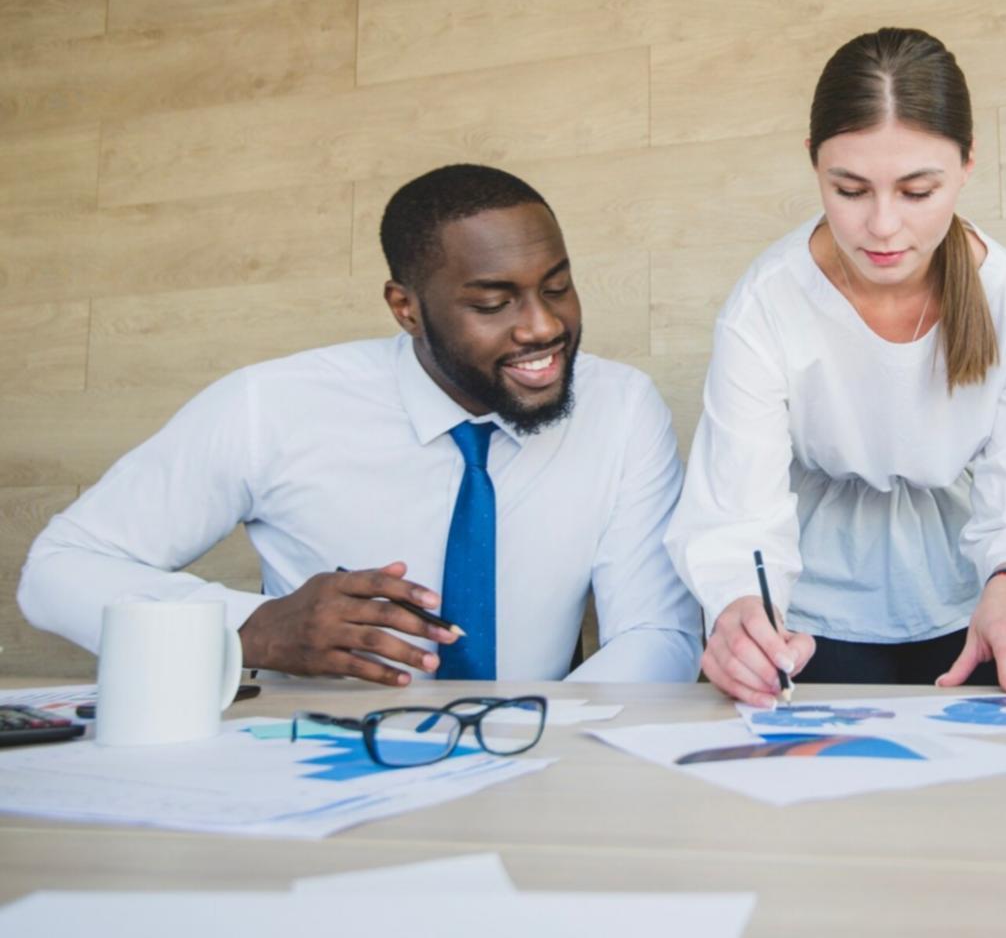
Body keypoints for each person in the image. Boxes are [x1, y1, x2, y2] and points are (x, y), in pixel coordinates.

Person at [19, 164, 702, 685]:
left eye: (556, 286)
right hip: (314, 774)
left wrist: (533, 743)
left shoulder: (621, 408)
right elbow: (58, 572)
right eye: (493, 303)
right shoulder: (272, 405)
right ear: (405, 309)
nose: (543, 326)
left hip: (546, 759)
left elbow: (657, 632)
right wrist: (249, 629)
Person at [664, 28, 1006, 707]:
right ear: (813, 165)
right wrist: (741, 610)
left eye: (917, 191)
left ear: (967, 164)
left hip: (970, 599)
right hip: (810, 609)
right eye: (850, 189)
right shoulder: (764, 302)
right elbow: (736, 511)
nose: (883, 227)